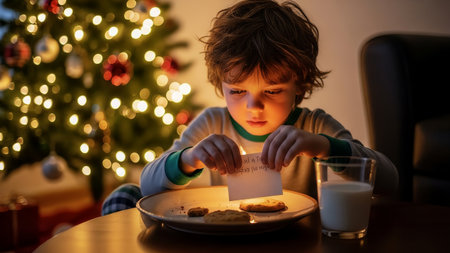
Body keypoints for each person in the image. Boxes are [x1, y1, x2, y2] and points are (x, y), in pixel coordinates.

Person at [102, 0, 398, 215]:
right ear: (221, 83)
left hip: (296, 242)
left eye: (272, 90)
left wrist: (322, 146)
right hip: (227, 241)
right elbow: (148, 184)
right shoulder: (212, 123)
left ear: (300, 83)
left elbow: (389, 180)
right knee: (126, 196)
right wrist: (190, 158)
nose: (254, 106)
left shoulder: (314, 128)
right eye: (238, 91)